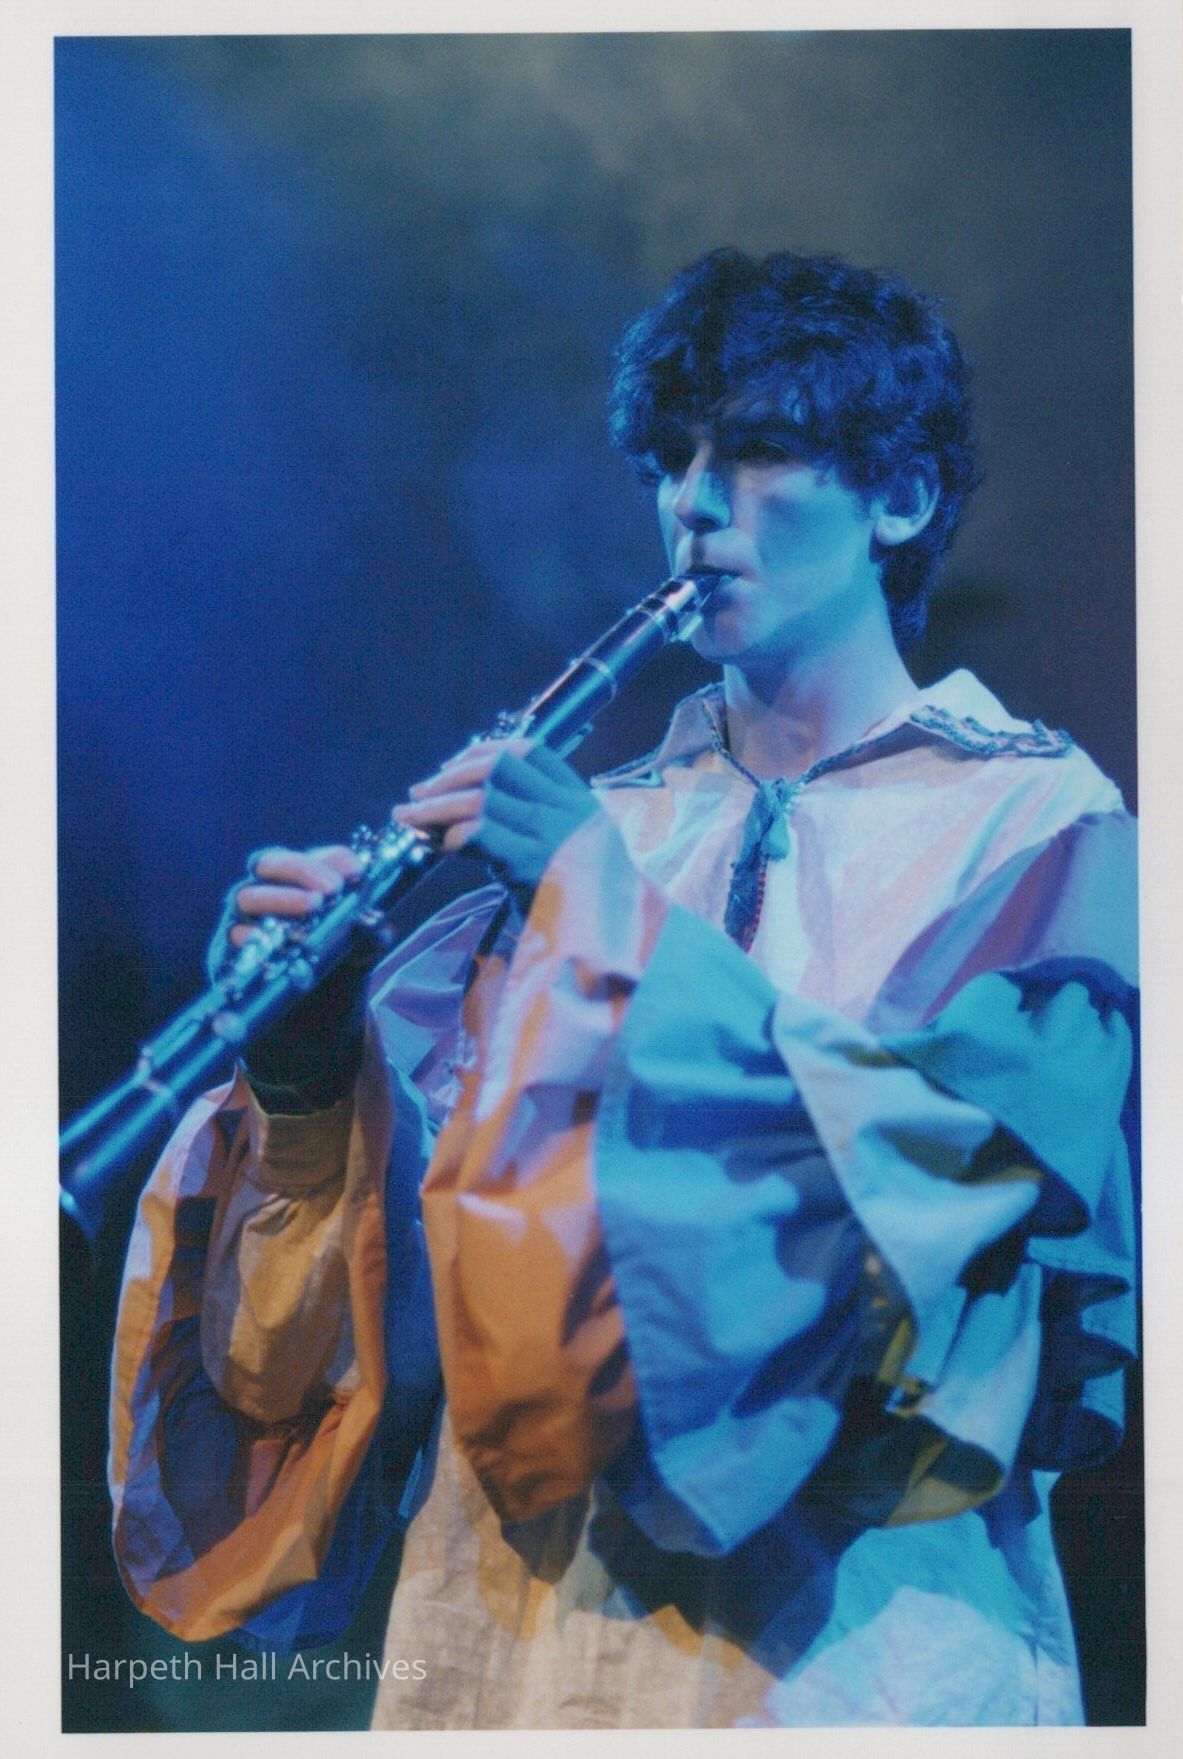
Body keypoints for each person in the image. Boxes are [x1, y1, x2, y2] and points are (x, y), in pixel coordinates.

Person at [108, 249, 1138, 1727]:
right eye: (672, 459)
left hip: (853, 1667)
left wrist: (606, 916)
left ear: (902, 500)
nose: (694, 504)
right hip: (513, 1658)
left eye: (759, 451)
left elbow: (934, 1213)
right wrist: (308, 1073)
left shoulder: (1040, 828)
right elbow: (381, 1350)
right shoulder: (595, 830)